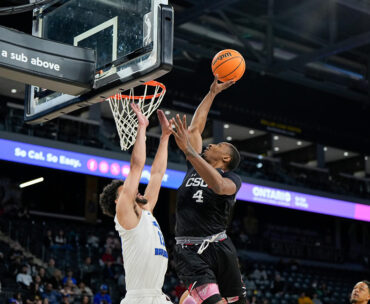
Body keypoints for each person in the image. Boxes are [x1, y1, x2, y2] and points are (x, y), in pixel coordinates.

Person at [170, 76, 245, 304]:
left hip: (220, 247)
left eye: (218, 145)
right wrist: (212, 93)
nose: (211, 144)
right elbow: (195, 128)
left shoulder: (232, 178)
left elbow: (219, 186)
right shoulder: (194, 165)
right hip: (189, 251)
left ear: (225, 157)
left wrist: (191, 153)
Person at [99, 104, 172, 304]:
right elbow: (137, 166)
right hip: (139, 298)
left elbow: (157, 173)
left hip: (158, 295)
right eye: (127, 190)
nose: (135, 190)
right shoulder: (125, 215)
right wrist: (142, 127)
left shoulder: (146, 209)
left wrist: (165, 137)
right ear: (118, 200)